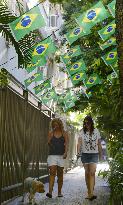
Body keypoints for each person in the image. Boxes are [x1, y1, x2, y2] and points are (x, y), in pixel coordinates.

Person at [77, 115, 102, 201]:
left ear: (91, 123)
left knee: (92, 173)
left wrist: (101, 154)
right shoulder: (81, 132)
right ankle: (89, 192)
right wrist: (78, 152)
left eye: (88, 123)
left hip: (94, 154)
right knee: (87, 173)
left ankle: (91, 193)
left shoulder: (96, 131)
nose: (86, 124)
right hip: (85, 155)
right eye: (85, 123)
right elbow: (79, 143)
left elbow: (99, 143)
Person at [46, 118, 69, 198]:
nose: (55, 126)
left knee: (60, 174)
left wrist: (66, 153)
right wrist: (51, 134)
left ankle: (59, 192)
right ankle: (50, 192)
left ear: (60, 125)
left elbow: (67, 144)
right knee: (52, 172)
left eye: (56, 124)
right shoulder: (51, 133)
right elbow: (48, 143)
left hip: (61, 156)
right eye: (54, 125)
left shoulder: (64, 133)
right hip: (52, 155)